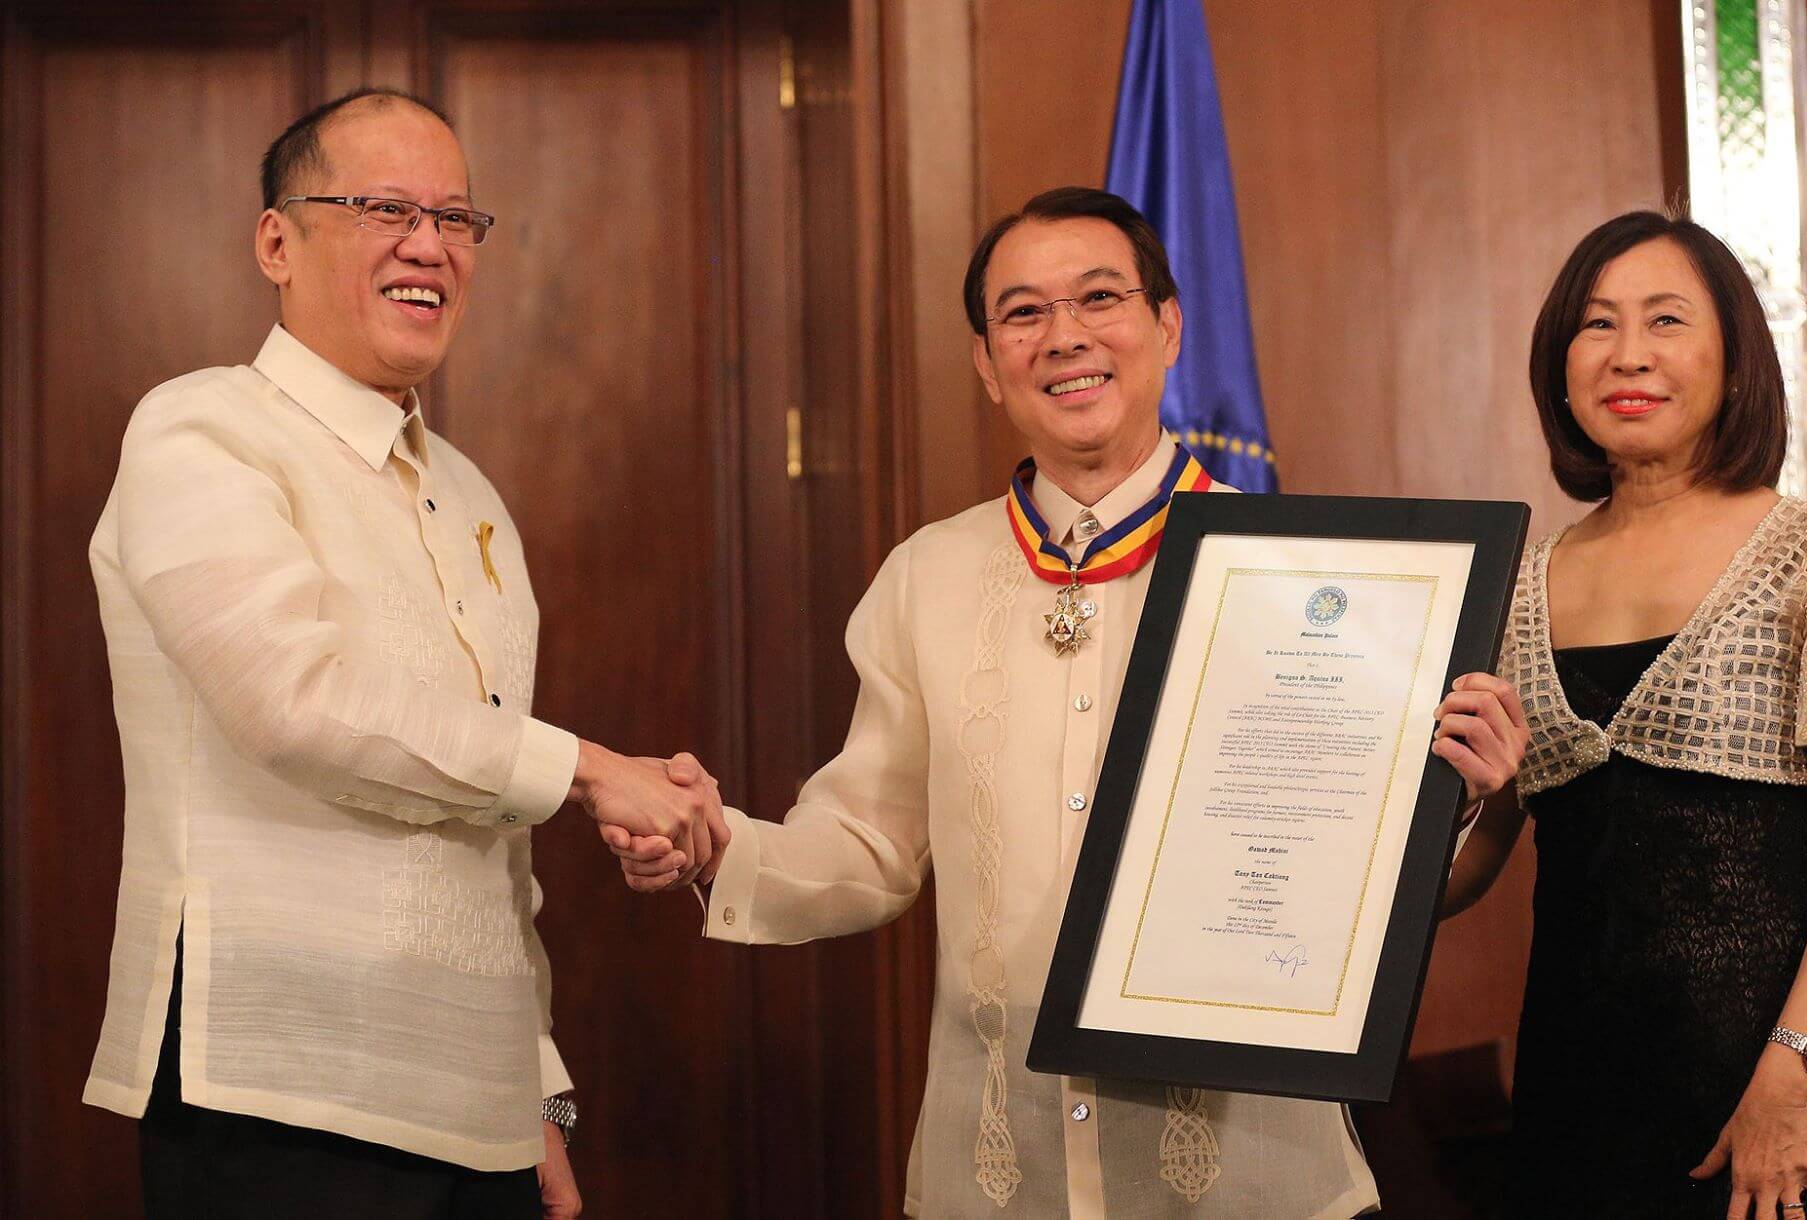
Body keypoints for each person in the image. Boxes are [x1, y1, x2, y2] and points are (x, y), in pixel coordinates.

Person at [605, 185, 1532, 1218]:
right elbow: (867, 840)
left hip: (1255, 1182)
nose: (1064, 337)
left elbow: (1339, 862)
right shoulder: (927, 575)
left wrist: (1450, 793)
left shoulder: (1305, 573)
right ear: (985, 360)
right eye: (1022, 312)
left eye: (1098, 297)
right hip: (998, 1174)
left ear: (1167, 326)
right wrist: (716, 844)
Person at [82, 87, 724, 1220]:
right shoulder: (201, 429)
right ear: (276, 241)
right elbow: (295, 702)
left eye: (456, 219)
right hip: (278, 1101)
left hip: (477, 1120)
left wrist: (541, 1101)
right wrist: (588, 767)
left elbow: (489, 849)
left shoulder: (470, 492)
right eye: (384, 207)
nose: (428, 245)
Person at [1442, 210, 1807, 1220]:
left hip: (1783, 1079)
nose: (1627, 354)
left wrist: (1785, 1075)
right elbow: (1475, 858)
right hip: (1577, 1087)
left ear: (1731, 355)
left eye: (1664, 320)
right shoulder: (1512, 583)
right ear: (1558, 364)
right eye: (1594, 324)